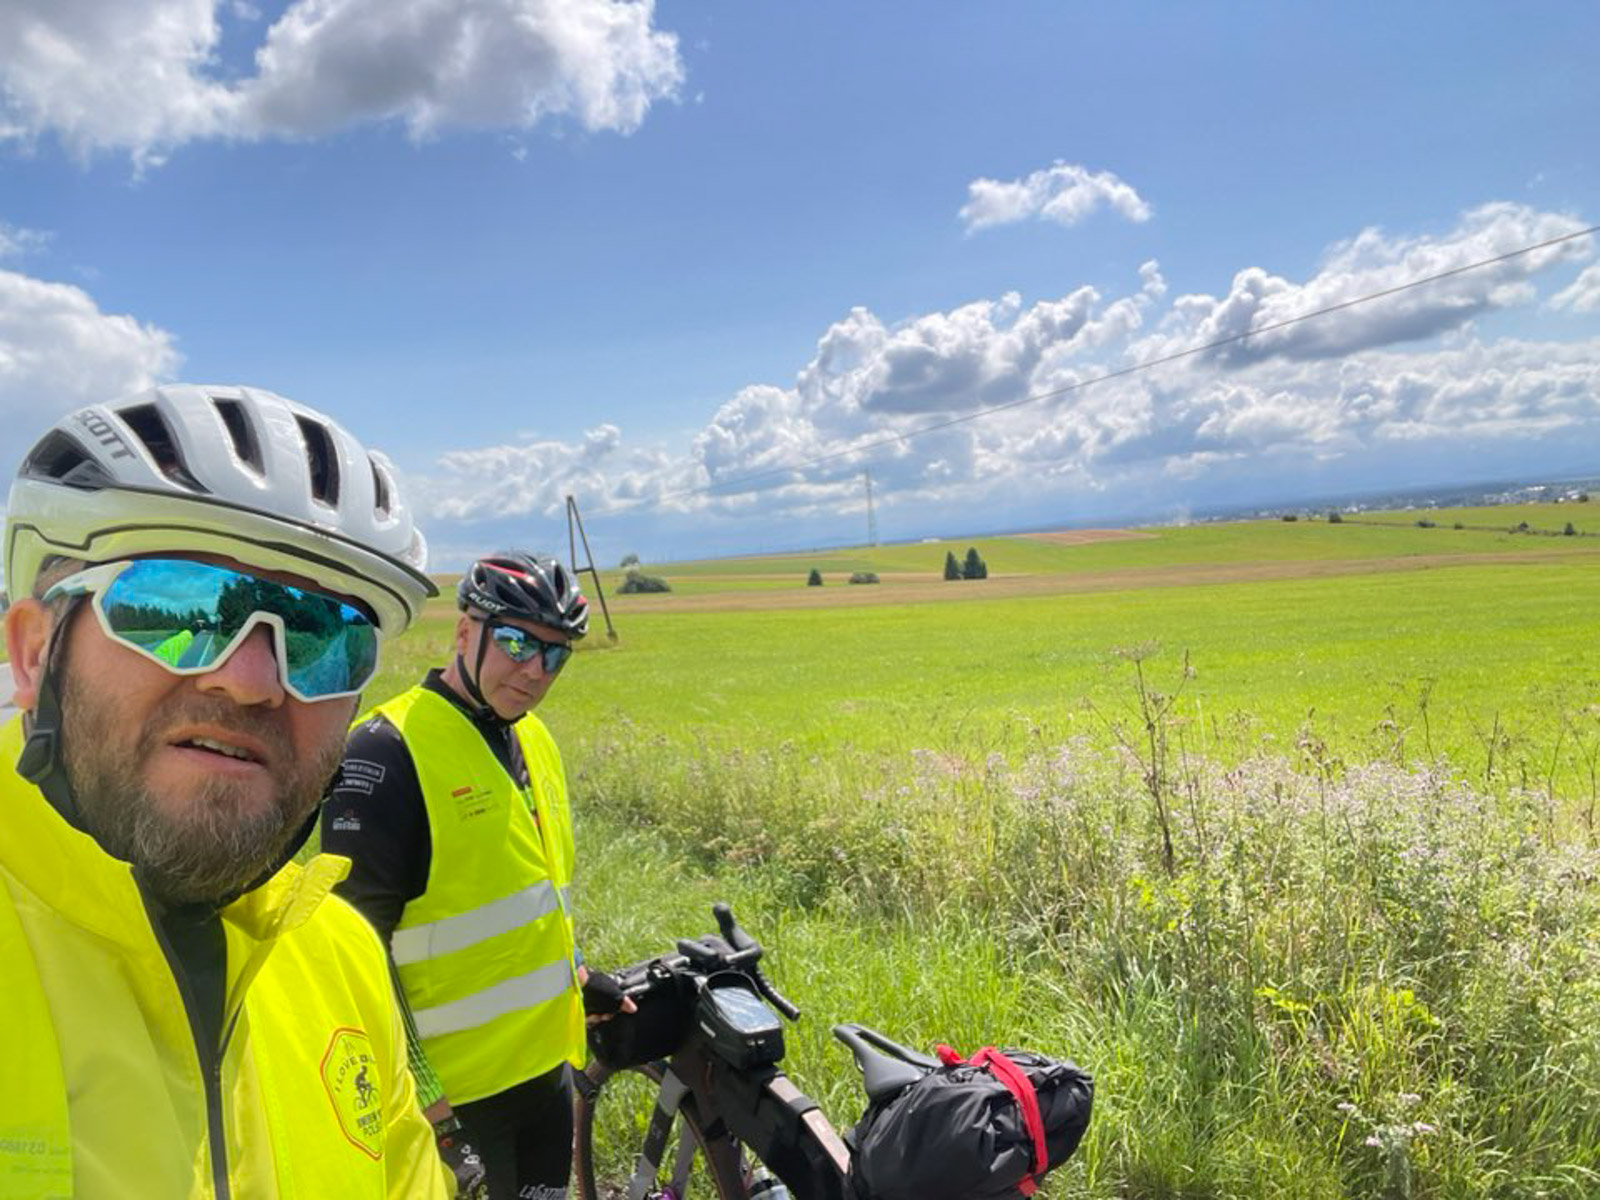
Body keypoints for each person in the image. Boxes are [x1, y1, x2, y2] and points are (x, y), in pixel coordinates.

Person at [0, 384, 453, 1198]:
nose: (251, 681)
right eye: (181, 608)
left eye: (322, 638)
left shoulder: (343, 960)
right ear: (35, 653)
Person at [321, 551, 630, 1200]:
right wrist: (435, 1116)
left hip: (545, 1078)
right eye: (517, 642)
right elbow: (351, 958)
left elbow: (526, 895)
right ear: (465, 632)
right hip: (455, 1107)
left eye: (556, 654)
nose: (535, 670)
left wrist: (577, 978)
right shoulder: (385, 753)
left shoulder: (534, 739)